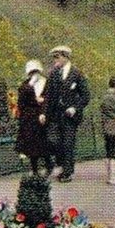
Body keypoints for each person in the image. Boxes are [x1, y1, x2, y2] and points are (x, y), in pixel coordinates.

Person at [45, 45, 90, 183]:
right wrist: (44, 113)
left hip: (70, 116)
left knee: (68, 143)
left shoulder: (76, 74)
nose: (55, 60)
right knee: (53, 141)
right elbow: (48, 94)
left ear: (65, 57)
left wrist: (75, 108)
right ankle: (62, 165)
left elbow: (86, 96)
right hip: (55, 115)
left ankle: (68, 172)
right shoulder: (53, 73)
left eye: (57, 57)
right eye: (54, 57)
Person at [16, 60, 54, 175]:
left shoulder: (46, 83)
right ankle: (35, 169)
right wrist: (31, 87)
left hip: (42, 118)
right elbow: (21, 102)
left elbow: (49, 100)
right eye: (32, 72)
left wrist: (44, 112)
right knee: (31, 145)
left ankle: (48, 164)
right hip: (29, 119)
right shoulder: (25, 85)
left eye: (35, 71)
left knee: (43, 143)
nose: (34, 74)